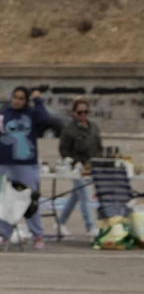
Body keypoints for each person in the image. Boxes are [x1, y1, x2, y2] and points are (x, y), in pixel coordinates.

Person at [0, 86, 54, 248]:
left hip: (26, 164)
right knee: (4, 199)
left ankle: (37, 234)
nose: (17, 101)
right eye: (15, 97)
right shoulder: (1, 115)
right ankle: (5, 233)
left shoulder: (32, 114)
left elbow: (45, 120)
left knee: (30, 198)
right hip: (2, 164)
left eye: (21, 98)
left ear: (26, 101)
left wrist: (38, 100)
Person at [55, 97, 102, 235]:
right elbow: (63, 149)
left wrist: (99, 160)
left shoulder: (93, 127)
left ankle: (60, 222)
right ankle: (90, 227)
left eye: (85, 112)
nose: (83, 115)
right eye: (80, 112)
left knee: (76, 196)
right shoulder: (69, 129)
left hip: (91, 167)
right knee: (85, 196)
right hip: (77, 169)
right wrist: (75, 162)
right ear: (74, 112)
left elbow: (99, 146)